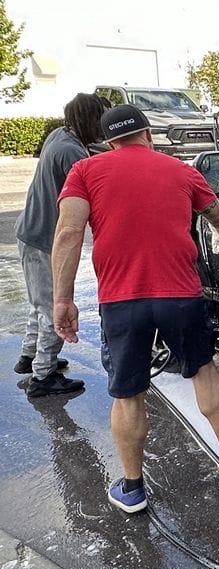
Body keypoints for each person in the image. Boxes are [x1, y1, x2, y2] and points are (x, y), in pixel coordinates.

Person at [51, 104, 219, 514]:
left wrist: (63, 298)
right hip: (180, 295)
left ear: (109, 142)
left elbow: (69, 232)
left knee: (128, 394)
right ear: (148, 134)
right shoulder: (181, 171)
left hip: (121, 301)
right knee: (203, 369)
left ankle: (132, 487)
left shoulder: (86, 172)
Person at [15, 93, 108, 397]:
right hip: (46, 238)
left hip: (29, 231)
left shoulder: (59, 135)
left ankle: (29, 356)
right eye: (101, 119)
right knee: (52, 306)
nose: (104, 126)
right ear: (89, 119)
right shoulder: (72, 153)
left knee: (38, 302)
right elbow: (95, 192)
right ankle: (43, 375)